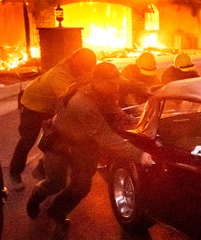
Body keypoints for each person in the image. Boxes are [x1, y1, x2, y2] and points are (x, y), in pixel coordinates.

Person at [26, 62, 154, 227]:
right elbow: (105, 136)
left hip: (84, 144)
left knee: (82, 186)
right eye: (110, 83)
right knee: (55, 182)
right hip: (60, 142)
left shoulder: (104, 82)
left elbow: (126, 83)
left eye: (115, 82)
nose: (115, 87)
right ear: (97, 81)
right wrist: (139, 154)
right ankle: (35, 196)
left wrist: (145, 90)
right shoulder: (83, 104)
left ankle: (58, 210)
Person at [8, 47, 97, 190]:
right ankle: (14, 173)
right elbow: (70, 100)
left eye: (89, 69)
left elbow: (98, 78)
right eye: (84, 70)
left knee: (60, 137)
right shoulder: (59, 76)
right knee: (28, 140)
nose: (87, 73)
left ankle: (42, 168)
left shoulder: (82, 65)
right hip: (33, 106)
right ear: (75, 64)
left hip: (52, 105)